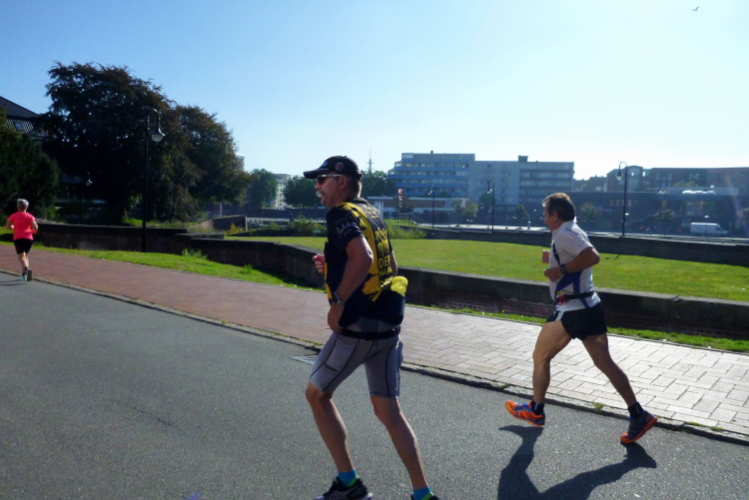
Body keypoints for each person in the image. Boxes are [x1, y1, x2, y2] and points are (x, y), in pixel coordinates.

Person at [303, 156, 439, 500]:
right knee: (389, 412)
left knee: (317, 395)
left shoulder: (340, 214)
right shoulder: (371, 213)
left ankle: (349, 484)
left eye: (322, 179)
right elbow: (389, 264)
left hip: (358, 328)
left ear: (342, 181)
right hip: (388, 328)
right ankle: (423, 495)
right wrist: (334, 266)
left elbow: (363, 258)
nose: (317, 186)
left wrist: (339, 302)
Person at [505, 193, 657, 444]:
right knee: (605, 362)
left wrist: (560, 270)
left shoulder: (565, 233)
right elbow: (577, 255)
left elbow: (592, 256)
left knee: (540, 356)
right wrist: (552, 258)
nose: (544, 219)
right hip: (589, 305)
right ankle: (638, 414)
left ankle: (535, 410)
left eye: (545, 214)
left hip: (573, 308)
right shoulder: (570, 230)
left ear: (555, 215)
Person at [5, 198, 39, 282]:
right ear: (26, 207)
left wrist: (13, 227)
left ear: (18, 207)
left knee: (21, 256)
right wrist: (30, 231)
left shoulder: (14, 216)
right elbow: (35, 228)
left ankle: (26, 269)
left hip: (18, 237)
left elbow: (8, 226)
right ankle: (24, 275)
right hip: (28, 238)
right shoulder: (30, 216)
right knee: (25, 256)